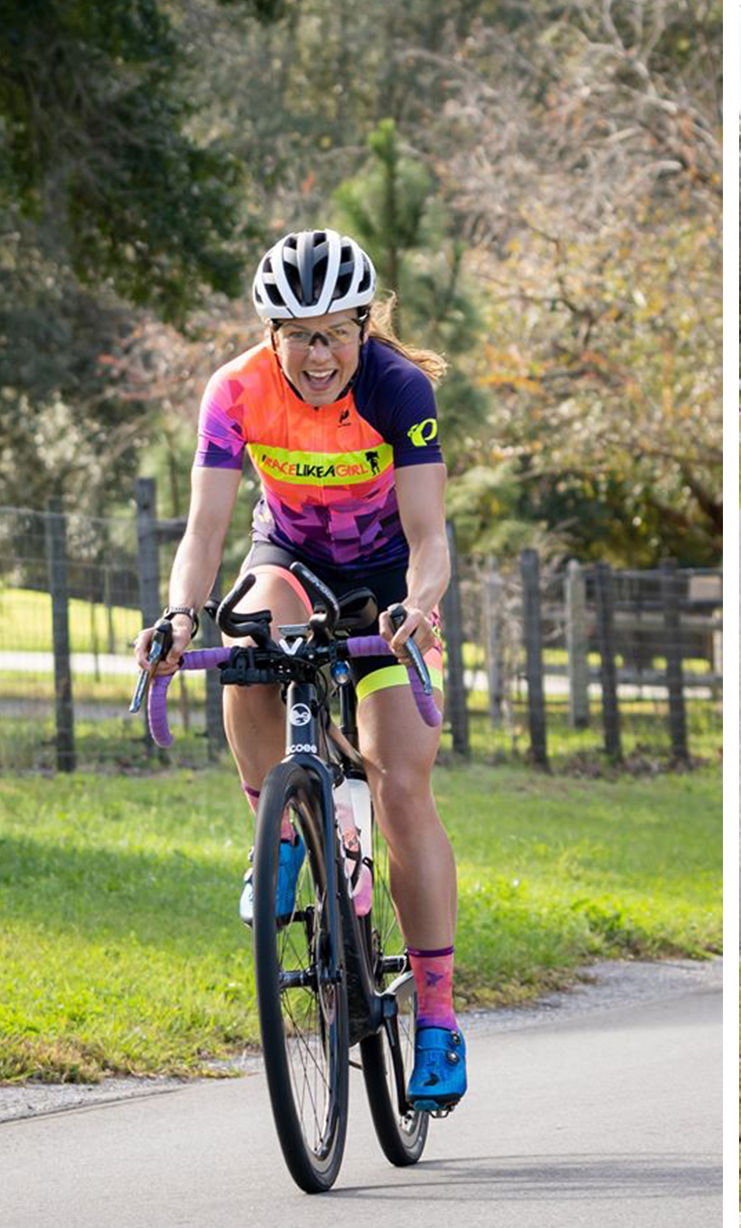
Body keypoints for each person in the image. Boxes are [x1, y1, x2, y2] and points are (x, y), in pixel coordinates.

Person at [138, 229, 472, 1110]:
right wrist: (179, 614)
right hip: (288, 558)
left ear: (364, 327)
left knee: (402, 785)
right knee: (248, 632)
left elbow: (432, 536)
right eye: (298, 334)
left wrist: (417, 607)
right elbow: (205, 532)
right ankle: (280, 831)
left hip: (385, 584)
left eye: (334, 333)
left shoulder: (400, 389)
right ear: (271, 331)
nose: (317, 354)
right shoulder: (236, 391)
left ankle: (436, 1018)